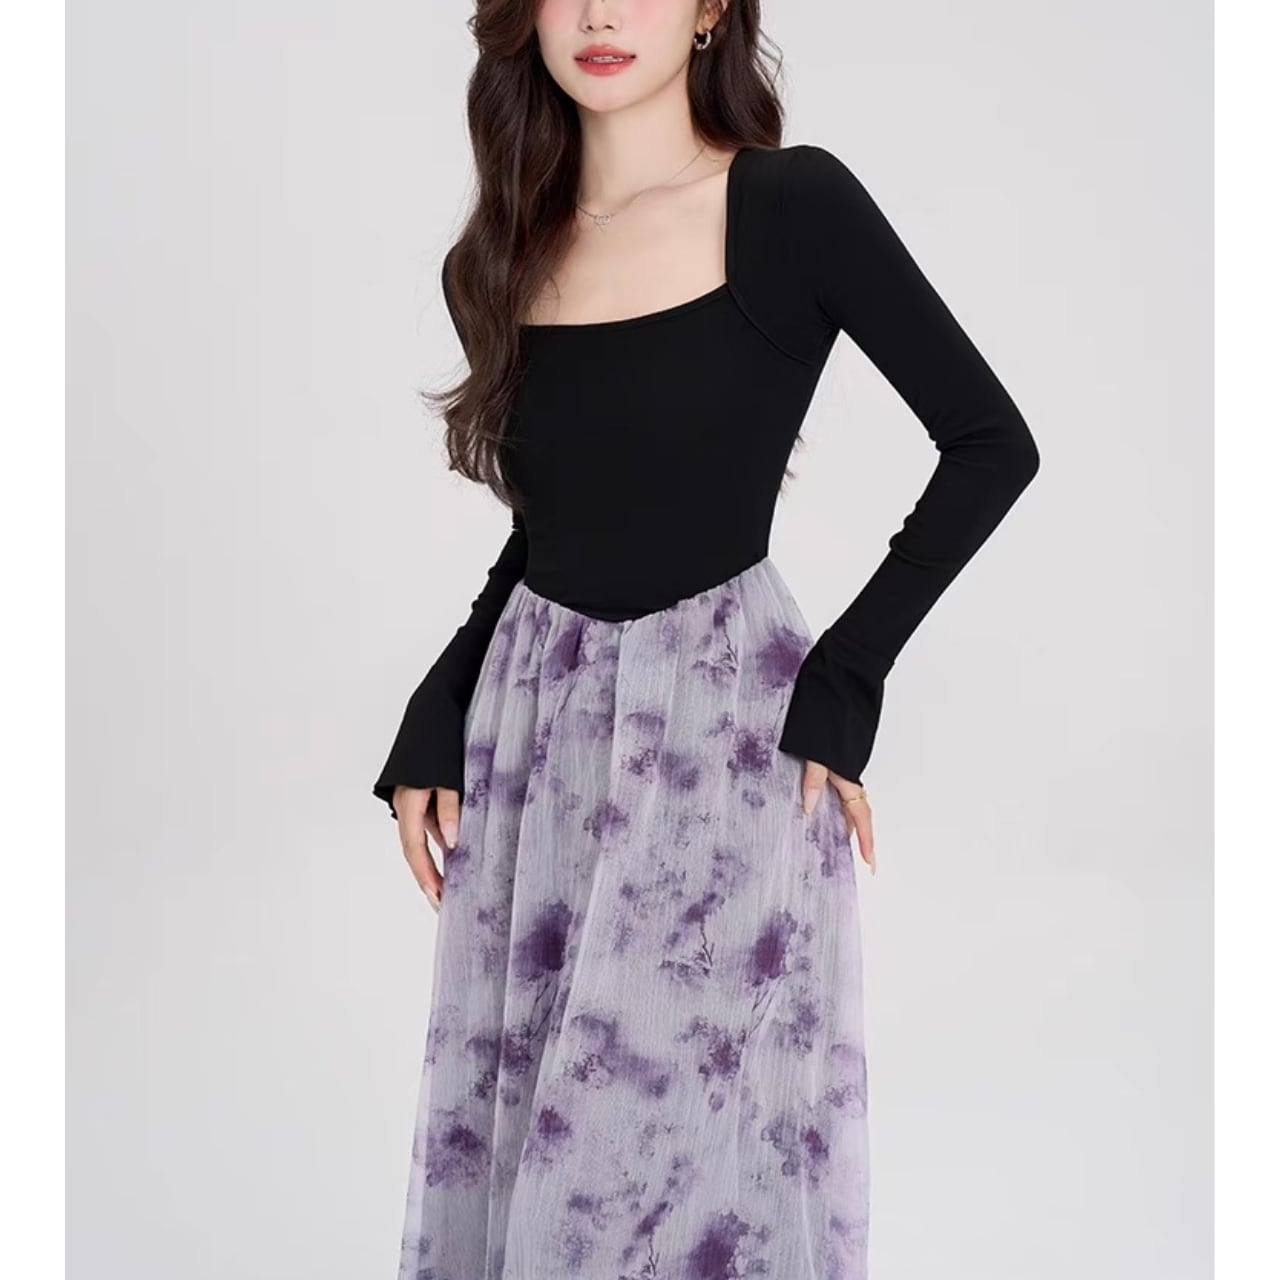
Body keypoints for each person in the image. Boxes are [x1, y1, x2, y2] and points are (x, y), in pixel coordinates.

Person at [372, 3, 1039, 1278]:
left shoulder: (789, 207)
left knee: (670, 1162)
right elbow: (550, 530)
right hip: (532, 737)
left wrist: (846, 673)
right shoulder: (498, 254)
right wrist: (437, 703)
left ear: (711, 9)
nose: (600, 13)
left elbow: (989, 444)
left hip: (722, 730)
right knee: (530, 1138)